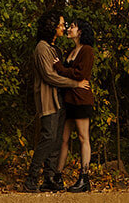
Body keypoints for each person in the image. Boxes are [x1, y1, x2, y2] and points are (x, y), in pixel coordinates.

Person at [24, 10, 88, 192]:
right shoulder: (42, 48)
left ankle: (49, 179)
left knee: (57, 140)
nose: (63, 27)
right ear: (51, 27)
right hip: (47, 101)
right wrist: (75, 83)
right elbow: (50, 76)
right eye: (60, 24)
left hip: (60, 101)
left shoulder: (55, 48)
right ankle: (31, 179)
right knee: (48, 138)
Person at [54, 19, 95, 193]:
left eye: (72, 27)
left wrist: (61, 68)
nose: (69, 29)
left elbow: (80, 74)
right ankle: (57, 175)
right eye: (69, 26)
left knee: (83, 137)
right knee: (64, 139)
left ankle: (84, 178)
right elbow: (69, 74)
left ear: (80, 31)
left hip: (81, 99)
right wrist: (62, 70)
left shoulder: (87, 50)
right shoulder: (72, 51)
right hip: (69, 99)